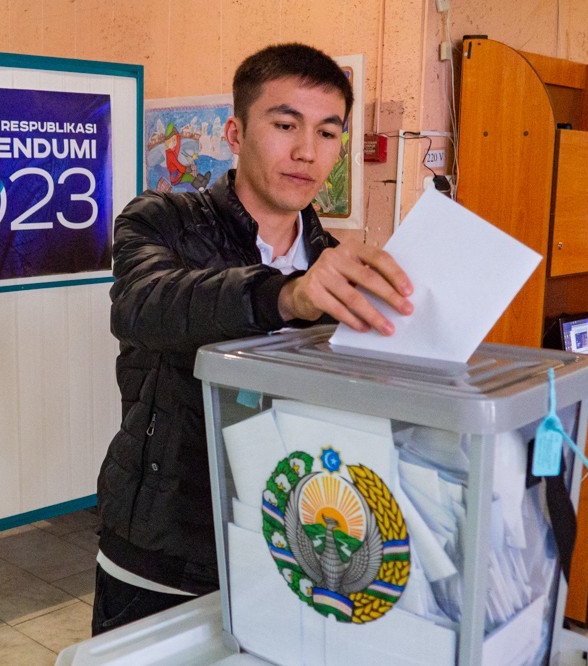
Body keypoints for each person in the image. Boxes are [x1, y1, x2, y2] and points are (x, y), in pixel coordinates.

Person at [92, 42, 414, 635]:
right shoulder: (163, 219)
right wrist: (284, 296)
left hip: (288, 549)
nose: (306, 151)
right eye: (285, 124)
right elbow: (143, 304)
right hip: (163, 548)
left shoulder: (336, 268)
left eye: (327, 132)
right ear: (235, 133)